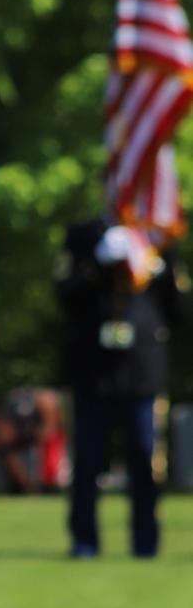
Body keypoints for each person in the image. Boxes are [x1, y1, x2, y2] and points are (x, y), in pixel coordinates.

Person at [55, 217, 187, 557]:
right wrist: (94, 267)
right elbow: (65, 297)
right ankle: (84, 541)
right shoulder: (83, 237)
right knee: (86, 461)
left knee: (144, 458)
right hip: (93, 372)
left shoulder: (157, 237)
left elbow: (179, 309)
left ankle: (146, 543)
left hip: (141, 371)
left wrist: (154, 269)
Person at [0, 387, 68, 495]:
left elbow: (48, 400)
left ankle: (43, 486)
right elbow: (6, 449)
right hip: (12, 440)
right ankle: (27, 488)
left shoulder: (43, 404)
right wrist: (27, 484)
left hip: (23, 436)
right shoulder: (8, 422)